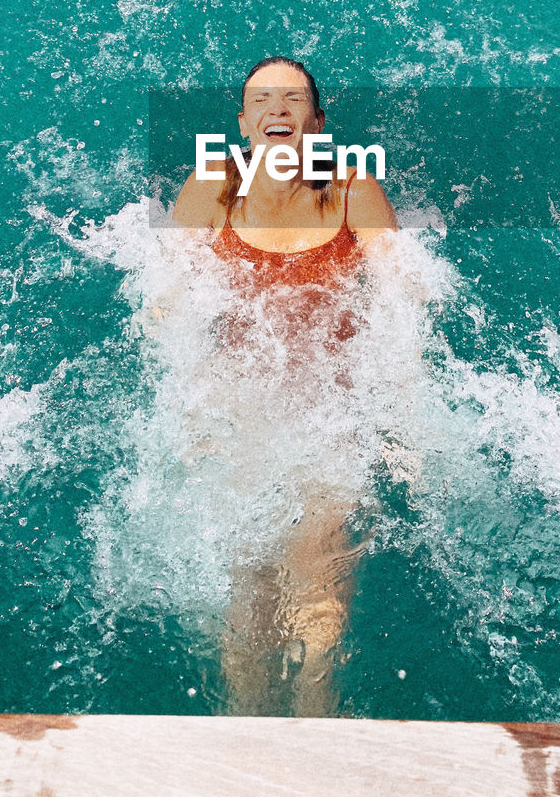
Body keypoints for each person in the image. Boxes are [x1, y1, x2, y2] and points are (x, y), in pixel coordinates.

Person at [171, 56, 398, 715]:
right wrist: (188, 413)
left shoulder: (354, 192)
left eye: (293, 99)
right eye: (261, 100)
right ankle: (244, 758)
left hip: (329, 410)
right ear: (243, 123)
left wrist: (404, 424)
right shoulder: (213, 185)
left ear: (317, 122)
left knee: (318, 613)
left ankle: (312, 754)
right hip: (243, 407)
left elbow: (405, 298)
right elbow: (166, 304)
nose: (277, 109)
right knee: (249, 617)